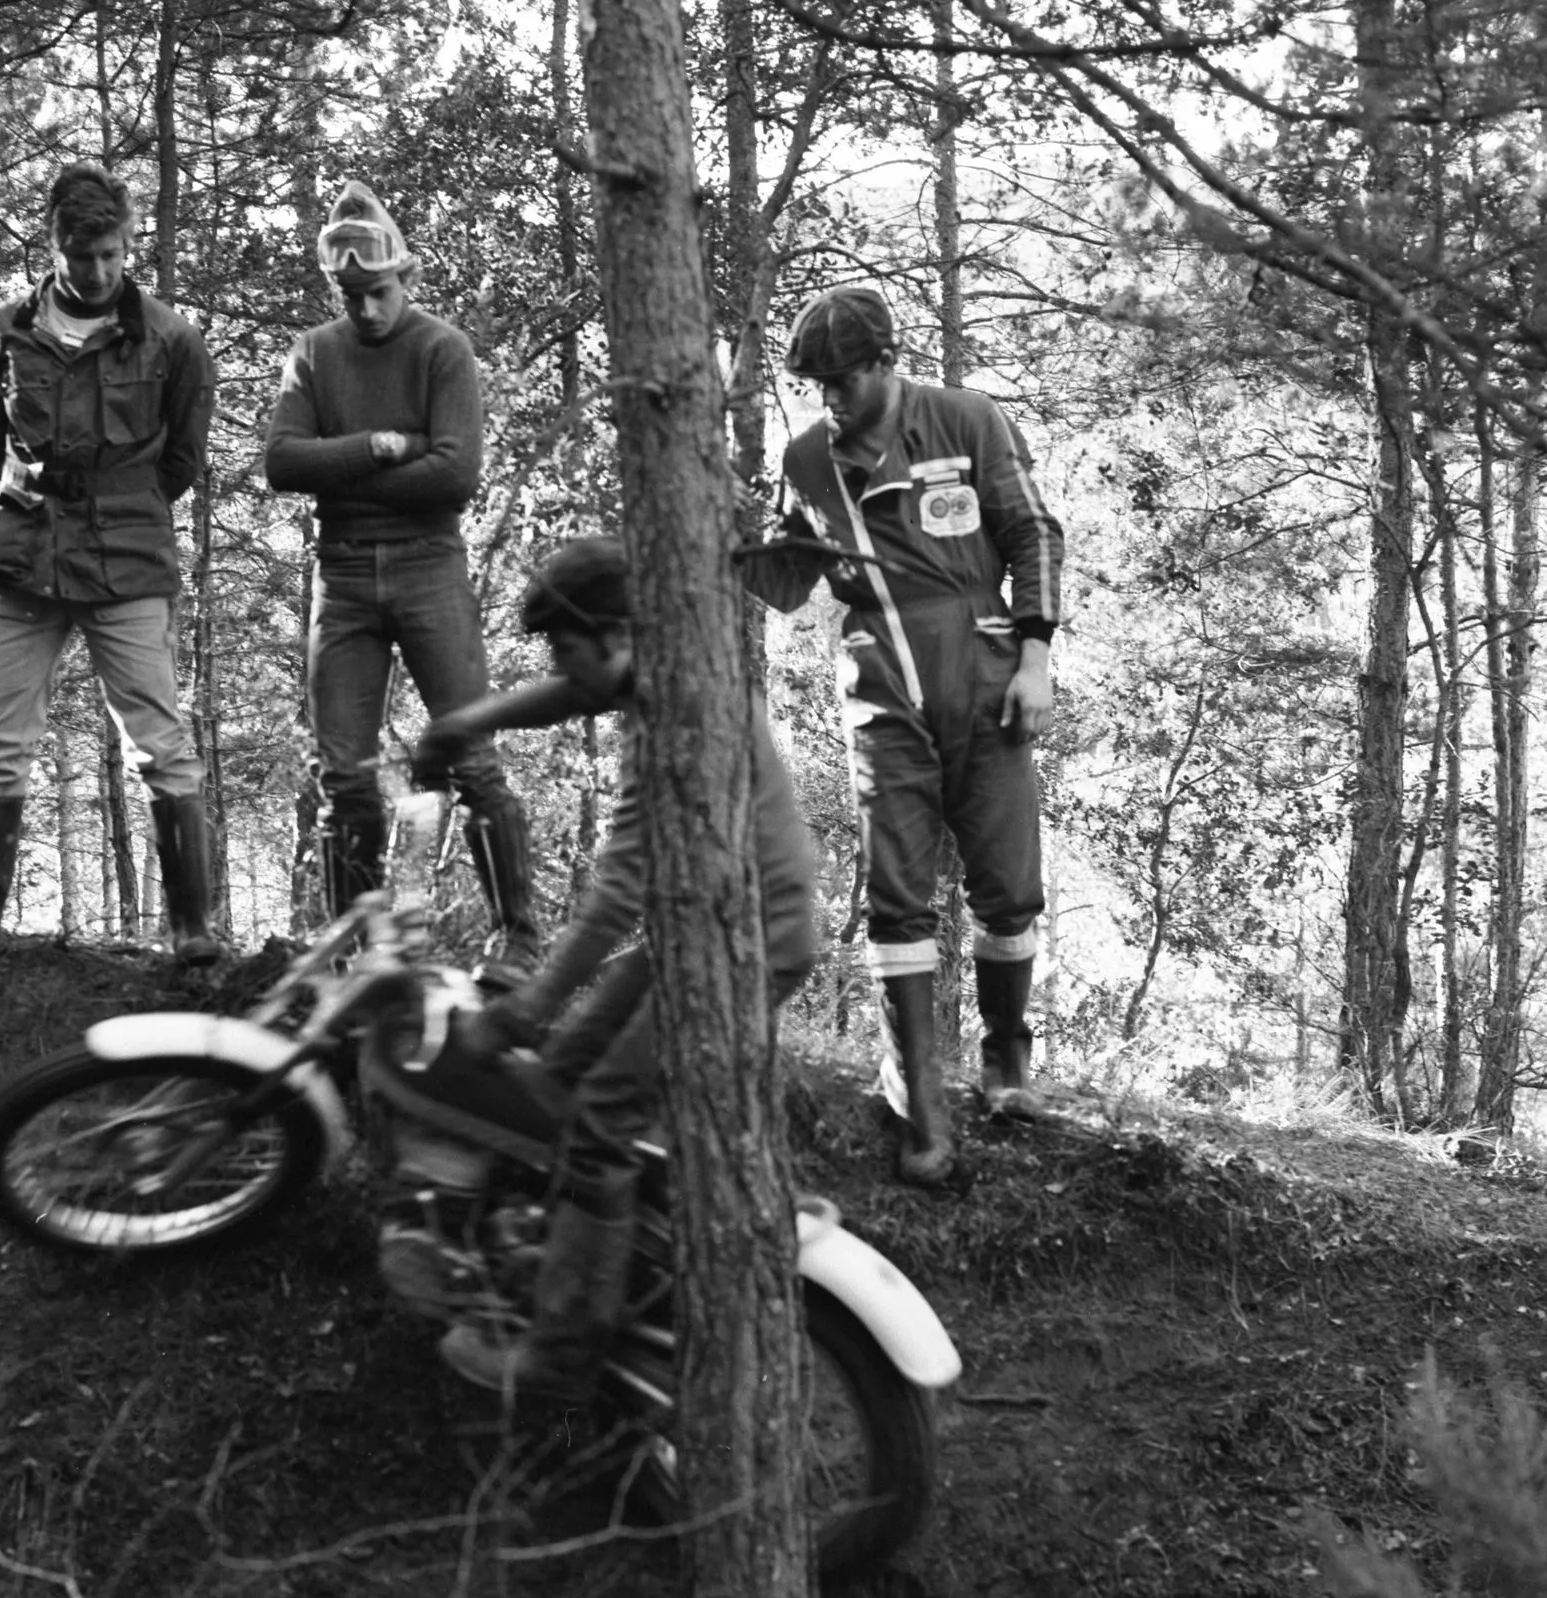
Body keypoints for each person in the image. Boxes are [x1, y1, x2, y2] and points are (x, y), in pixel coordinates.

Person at [415, 536, 816, 1404]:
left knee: (599, 1116)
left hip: (749, 942)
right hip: (700, 927)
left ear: (616, 633)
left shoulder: (677, 723)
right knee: (559, 1074)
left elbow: (615, 898)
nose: (560, 668)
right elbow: (573, 689)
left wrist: (526, 1007)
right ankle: (567, 1250)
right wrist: (463, 724)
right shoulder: (660, 667)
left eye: (567, 647)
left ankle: (562, 1356)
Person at [739, 284, 1064, 1186]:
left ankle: (1007, 1061)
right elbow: (786, 582)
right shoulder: (809, 458)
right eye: (817, 385)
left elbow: (1032, 532)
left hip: (985, 668)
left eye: (843, 379)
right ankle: (917, 1093)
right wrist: (731, 529)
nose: (830, 398)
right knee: (897, 892)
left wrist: (1036, 657)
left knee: (1009, 887)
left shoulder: (966, 420)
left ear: (886, 363)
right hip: (880, 684)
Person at [0, 162, 221, 966]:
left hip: (129, 560)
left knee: (160, 742)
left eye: (111, 254)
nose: (98, 271)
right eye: (82, 256)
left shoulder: (172, 340)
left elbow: (182, 458)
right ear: (55, 246)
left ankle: (192, 931)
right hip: (27, 555)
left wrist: (121, 504)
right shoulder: (1, 333)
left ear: (127, 246)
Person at [263, 180, 540, 971]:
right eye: (351, 296)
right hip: (342, 574)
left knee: (472, 755)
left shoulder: (442, 349)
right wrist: (383, 446)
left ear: (405, 279)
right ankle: (358, 954)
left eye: (379, 292)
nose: (367, 310)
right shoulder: (315, 353)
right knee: (344, 775)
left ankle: (519, 938)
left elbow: (455, 475)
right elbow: (282, 462)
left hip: (430, 567)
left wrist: (342, 471)